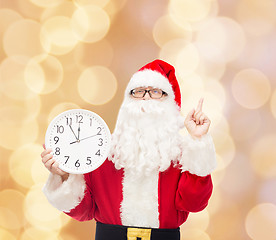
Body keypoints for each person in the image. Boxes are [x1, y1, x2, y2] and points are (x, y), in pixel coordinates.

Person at [41, 59, 217, 240]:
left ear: (170, 103)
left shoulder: (180, 154)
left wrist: (197, 141)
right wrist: (63, 175)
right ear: (127, 102)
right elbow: (83, 211)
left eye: (156, 91)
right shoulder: (102, 150)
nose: (147, 97)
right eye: (139, 91)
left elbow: (194, 204)